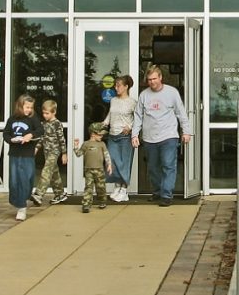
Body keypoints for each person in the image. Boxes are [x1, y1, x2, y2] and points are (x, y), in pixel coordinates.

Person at [132, 65, 192, 207]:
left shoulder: (172, 92)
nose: (152, 82)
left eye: (154, 79)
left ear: (160, 77)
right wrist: (135, 134)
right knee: (153, 168)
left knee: (168, 165)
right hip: (149, 138)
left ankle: (166, 195)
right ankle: (157, 192)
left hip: (169, 136)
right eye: (149, 80)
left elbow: (181, 113)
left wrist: (187, 131)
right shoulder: (144, 95)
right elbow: (138, 116)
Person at [3, 94, 43, 221]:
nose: (29, 110)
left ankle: (24, 199)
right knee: (15, 180)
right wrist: (11, 140)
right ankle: (21, 206)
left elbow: (40, 130)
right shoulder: (12, 119)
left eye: (31, 107)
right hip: (14, 154)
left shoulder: (33, 119)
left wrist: (30, 135)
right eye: (27, 107)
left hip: (27, 154)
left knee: (27, 179)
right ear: (20, 106)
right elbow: (6, 133)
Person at [102, 74, 136, 202]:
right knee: (113, 162)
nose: (116, 88)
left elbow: (138, 119)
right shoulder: (113, 100)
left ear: (126, 87)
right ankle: (117, 186)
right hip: (112, 135)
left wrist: (131, 127)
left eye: (119, 86)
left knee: (124, 163)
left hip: (125, 137)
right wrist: (103, 124)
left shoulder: (132, 102)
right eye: (115, 85)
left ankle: (124, 189)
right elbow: (110, 115)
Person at [31, 99, 68, 206]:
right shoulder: (44, 124)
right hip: (46, 151)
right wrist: (37, 147)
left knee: (46, 171)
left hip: (54, 151)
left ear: (54, 112)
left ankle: (38, 194)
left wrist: (64, 153)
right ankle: (60, 194)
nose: (45, 115)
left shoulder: (57, 124)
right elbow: (42, 137)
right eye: (43, 113)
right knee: (54, 173)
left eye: (47, 113)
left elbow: (62, 139)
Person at [73, 122, 113, 213]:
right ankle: (86, 204)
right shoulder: (86, 144)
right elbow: (79, 154)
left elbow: (106, 155)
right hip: (88, 170)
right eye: (100, 134)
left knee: (101, 187)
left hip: (99, 170)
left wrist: (109, 165)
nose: (101, 136)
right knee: (88, 188)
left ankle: (102, 201)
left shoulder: (102, 144)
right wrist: (76, 146)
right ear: (93, 134)